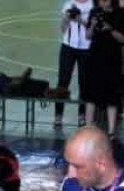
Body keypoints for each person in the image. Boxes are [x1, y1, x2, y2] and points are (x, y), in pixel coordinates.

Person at [83, 0, 124, 138]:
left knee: (112, 96)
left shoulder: (120, 13)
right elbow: (88, 36)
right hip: (95, 57)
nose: (103, 2)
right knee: (91, 94)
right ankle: (88, 128)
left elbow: (123, 39)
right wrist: (93, 25)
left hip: (112, 58)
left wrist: (110, 28)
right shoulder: (95, 11)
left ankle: (111, 131)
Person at [55, 0, 92, 128]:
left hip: (86, 47)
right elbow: (63, 29)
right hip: (68, 46)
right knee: (63, 81)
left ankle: (82, 115)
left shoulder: (92, 5)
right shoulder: (68, 4)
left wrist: (80, 19)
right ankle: (58, 116)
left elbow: (93, 28)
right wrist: (66, 18)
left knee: (84, 83)